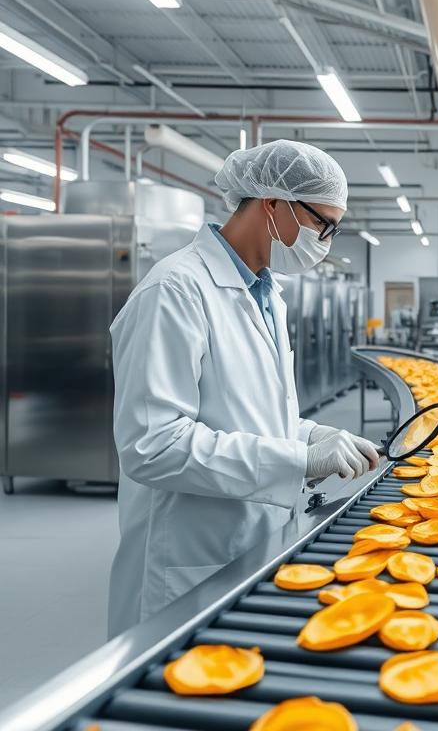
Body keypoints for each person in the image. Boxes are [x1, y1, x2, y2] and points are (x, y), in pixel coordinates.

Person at [107, 140, 379, 637]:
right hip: (185, 557)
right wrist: (299, 461)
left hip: (251, 539)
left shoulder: (267, 293)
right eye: (323, 224)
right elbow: (152, 446)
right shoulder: (174, 290)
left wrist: (311, 434)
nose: (326, 242)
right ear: (273, 203)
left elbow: (252, 413)